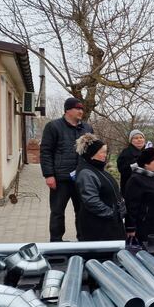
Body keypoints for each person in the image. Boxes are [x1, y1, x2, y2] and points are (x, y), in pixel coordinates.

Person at [40, 97, 93, 241]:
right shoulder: (53, 126)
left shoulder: (87, 128)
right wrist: (48, 175)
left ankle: (83, 240)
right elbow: (45, 151)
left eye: (82, 109)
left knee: (82, 212)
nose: (81, 111)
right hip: (60, 178)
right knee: (57, 212)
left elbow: (91, 152)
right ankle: (56, 242)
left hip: (81, 178)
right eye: (78, 108)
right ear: (68, 110)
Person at [74, 134, 125, 241]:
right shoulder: (86, 173)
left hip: (109, 224)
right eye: (103, 152)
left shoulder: (98, 169)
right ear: (92, 154)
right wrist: (112, 214)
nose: (105, 155)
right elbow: (91, 201)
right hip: (98, 227)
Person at [124, 147, 154, 243]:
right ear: (146, 163)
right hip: (145, 227)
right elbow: (131, 205)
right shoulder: (136, 180)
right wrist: (130, 228)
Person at [117, 129, 146, 193]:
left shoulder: (148, 152)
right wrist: (138, 162)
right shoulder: (126, 153)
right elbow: (124, 171)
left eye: (141, 137)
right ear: (131, 141)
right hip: (132, 189)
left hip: (146, 189)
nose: (139, 140)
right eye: (136, 138)